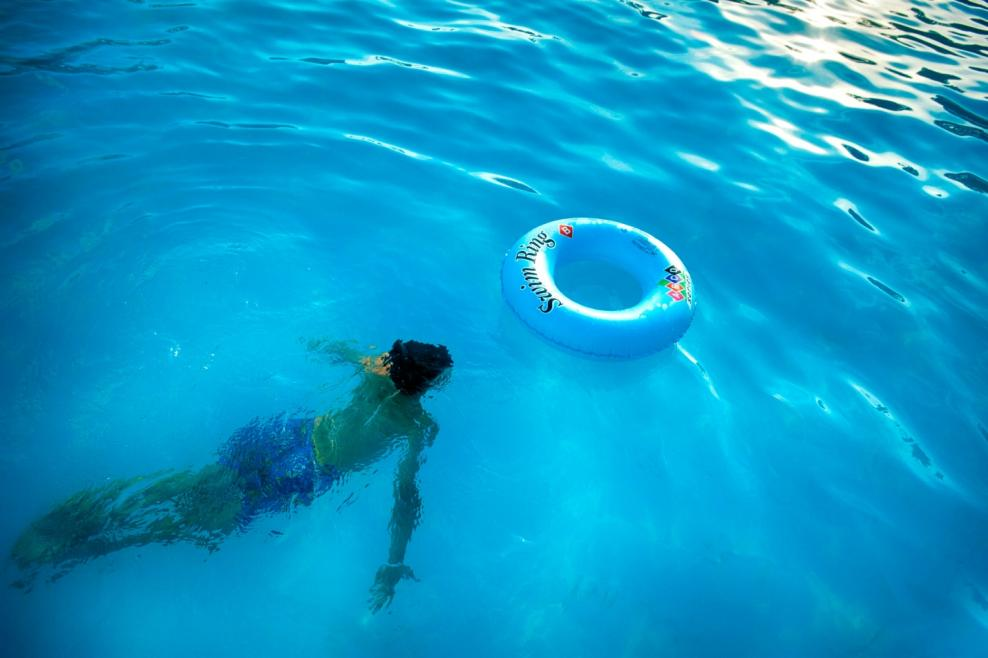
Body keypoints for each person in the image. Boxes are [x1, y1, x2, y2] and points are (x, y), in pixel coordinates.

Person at [10, 338, 453, 612]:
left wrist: (315, 344)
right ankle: (97, 545)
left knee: (199, 478)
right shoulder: (417, 426)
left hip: (286, 434)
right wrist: (394, 561)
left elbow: (332, 347)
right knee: (202, 521)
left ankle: (89, 512)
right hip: (309, 471)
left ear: (396, 364)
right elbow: (405, 496)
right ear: (428, 385)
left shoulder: (376, 366)